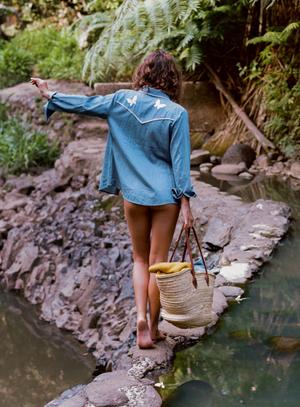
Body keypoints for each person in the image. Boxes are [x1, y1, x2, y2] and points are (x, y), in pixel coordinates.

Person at [30, 50, 196, 349]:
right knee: (159, 263)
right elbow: (180, 163)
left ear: (143, 74)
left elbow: (85, 104)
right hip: (165, 197)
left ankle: (140, 318)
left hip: (133, 196)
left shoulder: (121, 100)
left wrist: (49, 93)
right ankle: (155, 329)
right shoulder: (177, 113)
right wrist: (186, 204)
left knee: (140, 259)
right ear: (172, 77)